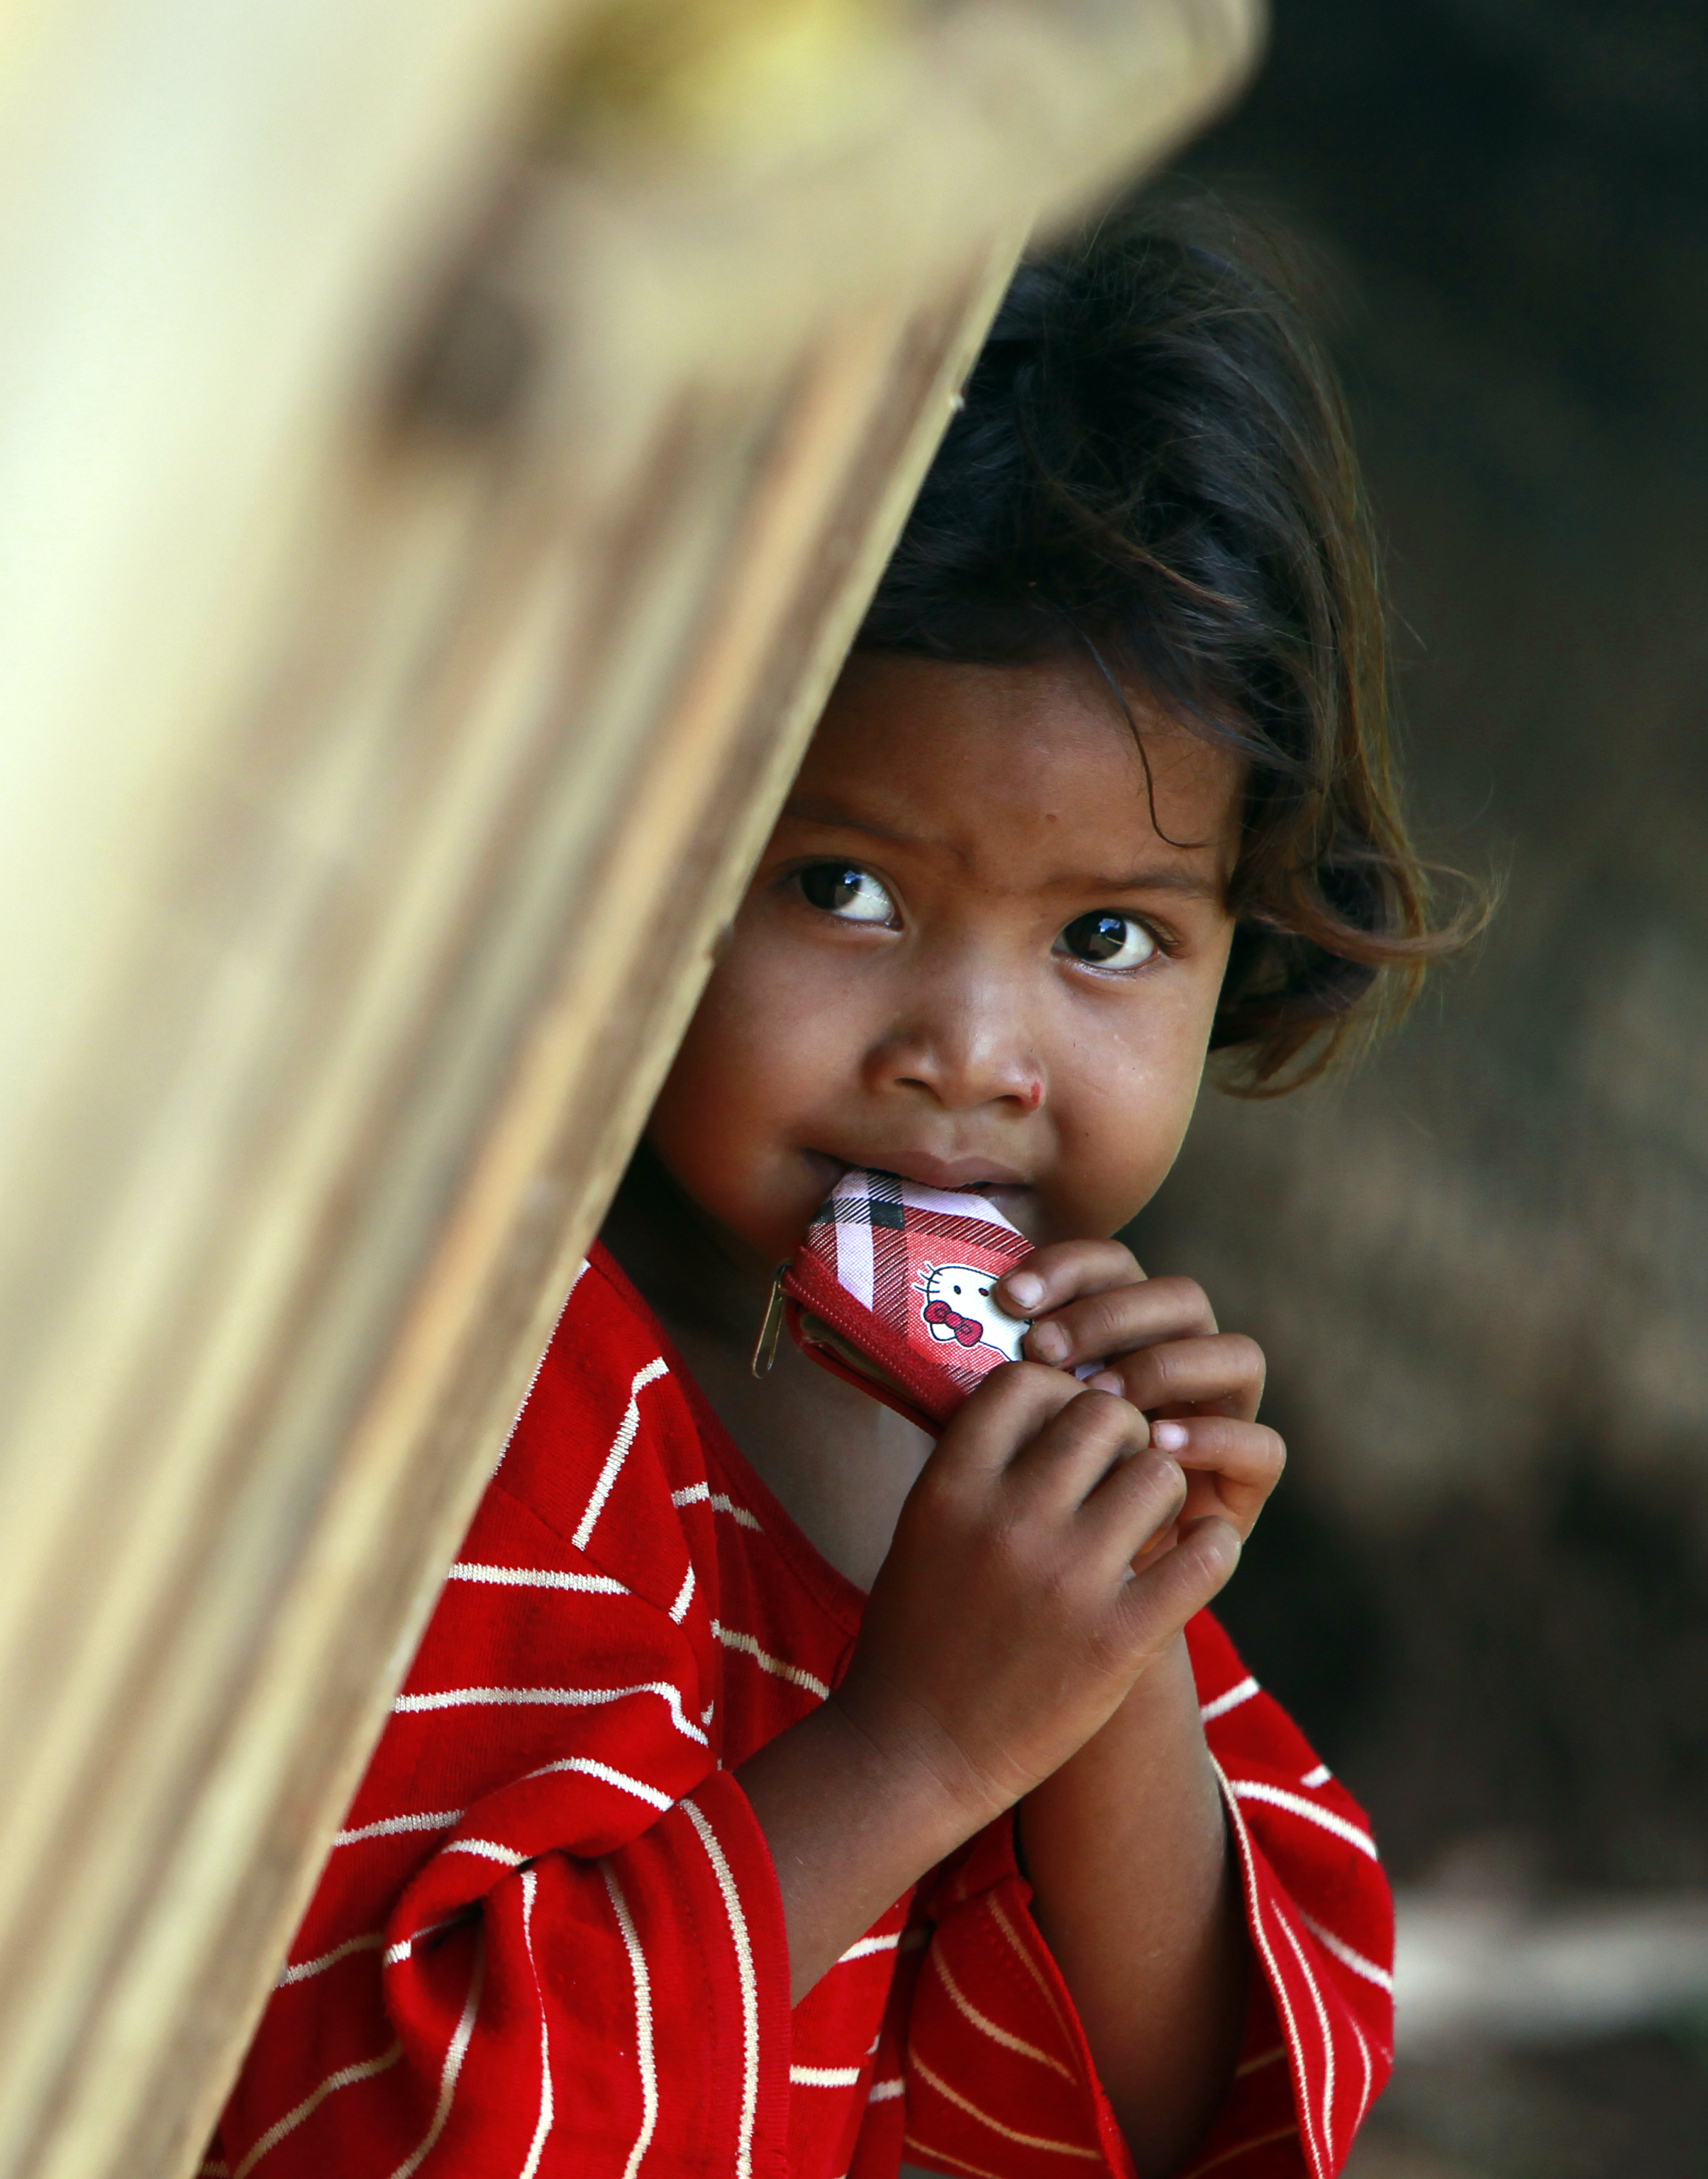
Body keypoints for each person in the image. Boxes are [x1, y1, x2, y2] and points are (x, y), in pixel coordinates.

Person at [213, 204, 1468, 2179]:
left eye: (1114, 938)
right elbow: (406, 2122)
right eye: (845, 889)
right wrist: (917, 1753)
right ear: (643, 823)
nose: (970, 1050)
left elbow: (1180, 2122)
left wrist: (1118, 1649)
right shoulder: (503, 1398)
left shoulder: (1033, 1425)